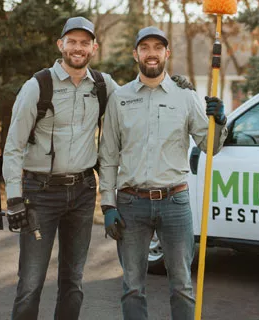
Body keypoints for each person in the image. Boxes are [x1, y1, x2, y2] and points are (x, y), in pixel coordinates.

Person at [98, 26, 228, 320]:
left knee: (181, 285)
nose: (152, 53)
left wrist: (219, 121)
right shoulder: (120, 99)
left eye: (158, 47)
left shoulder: (185, 96)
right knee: (133, 286)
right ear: (136, 54)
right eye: (145, 47)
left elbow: (210, 146)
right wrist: (107, 204)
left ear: (167, 53)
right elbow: (107, 156)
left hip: (175, 202)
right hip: (131, 203)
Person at [2, 16, 120, 320]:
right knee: (30, 283)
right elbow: (13, 146)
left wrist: (176, 86)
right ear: (61, 44)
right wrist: (14, 198)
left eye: (84, 43)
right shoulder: (37, 86)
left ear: (94, 47)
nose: (78, 48)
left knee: (73, 282)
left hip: (83, 193)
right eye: (72, 41)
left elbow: (137, 100)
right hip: (39, 194)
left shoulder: (103, 85)